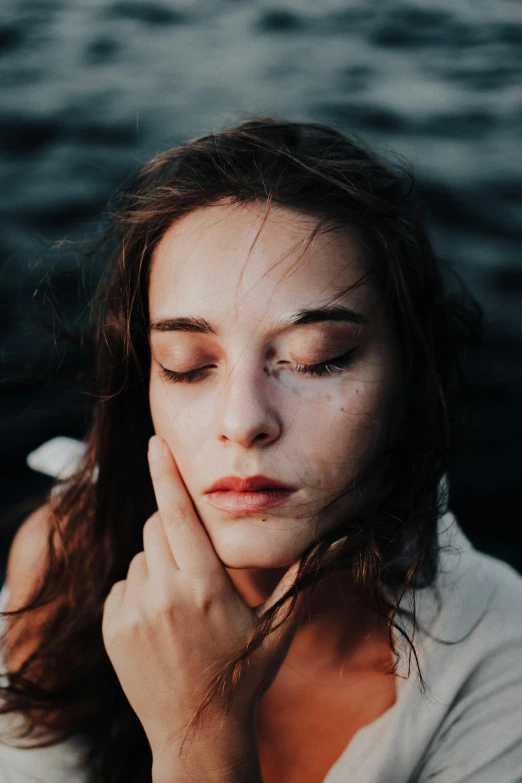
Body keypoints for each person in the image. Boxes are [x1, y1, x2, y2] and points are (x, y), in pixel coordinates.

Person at [0, 116, 521, 783]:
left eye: (318, 359)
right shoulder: (64, 560)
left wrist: (203, 740)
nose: (244, 421)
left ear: (409, 382)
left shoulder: (498, 662)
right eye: (187, 364)